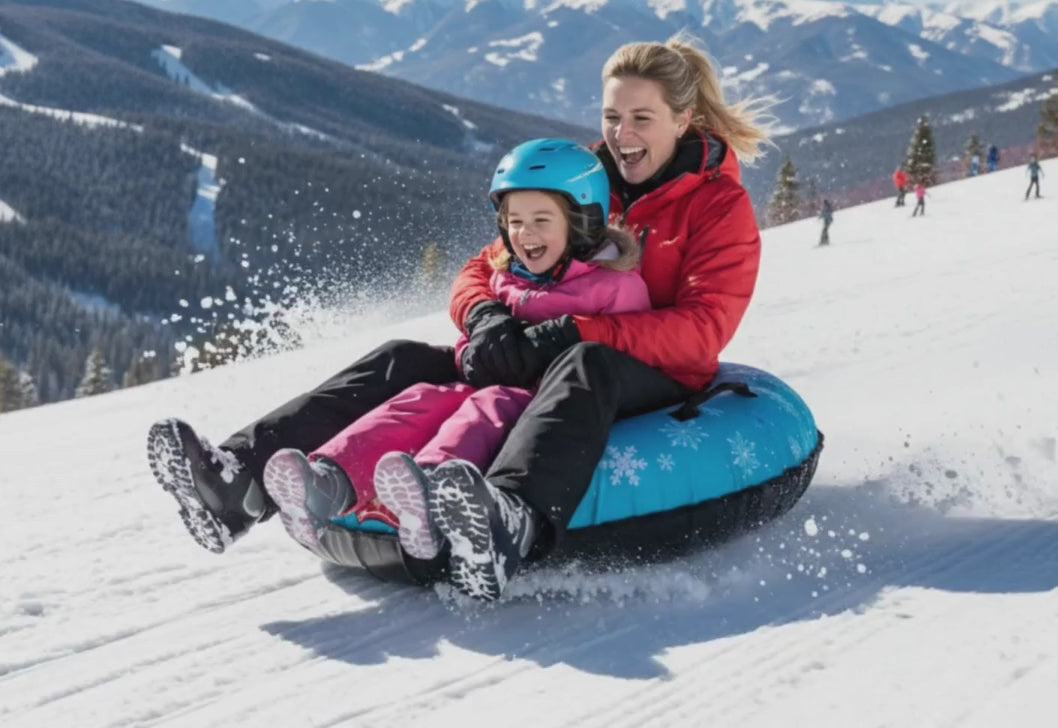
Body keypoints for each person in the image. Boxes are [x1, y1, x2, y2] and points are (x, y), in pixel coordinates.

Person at [147, 36, 767, 602]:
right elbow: (484, 263)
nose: (622, 135)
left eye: (641, 119)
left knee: (587, 364)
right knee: (402, 357)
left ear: (683, 120)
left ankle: (509, 520)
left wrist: (573, 333)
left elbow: (704, 328)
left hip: (645, 369)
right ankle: (238, 484)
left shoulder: (718, 205)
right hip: (536, 346)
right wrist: (487, 316)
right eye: (611, 117)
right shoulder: (584, 174)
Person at [259, 139, 650, 562]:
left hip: (544, 404)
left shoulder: (615, 286)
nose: (525, 233)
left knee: (485, 408)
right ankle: (329, 482)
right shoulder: (508, 278)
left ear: (582, 222)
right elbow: (476, 327)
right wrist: (473, 351)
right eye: (514, 221)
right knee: (420, 398)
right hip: (484, 383)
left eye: (542, 219)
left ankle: (429, 495)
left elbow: (620, 357)